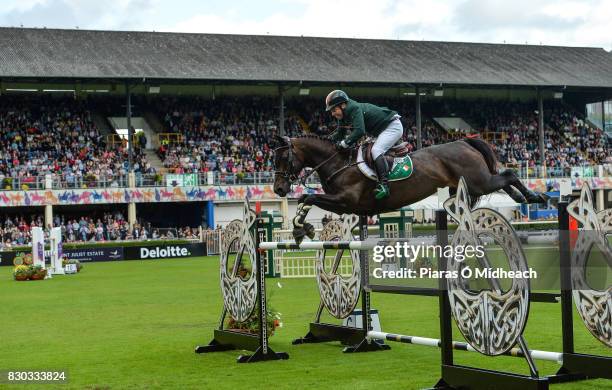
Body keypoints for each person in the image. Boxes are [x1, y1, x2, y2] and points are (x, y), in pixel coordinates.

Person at [325, 90, 403, 200]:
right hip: (380, 130)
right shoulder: (344, 114)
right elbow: (340, 133)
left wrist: (343, 144)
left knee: (376, 151)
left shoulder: (354, 108)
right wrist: (325, 140)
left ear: (342, 105)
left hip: (392, 127)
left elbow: (360, 131)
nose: (332, 114)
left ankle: (384, 185)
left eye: (334, 110)